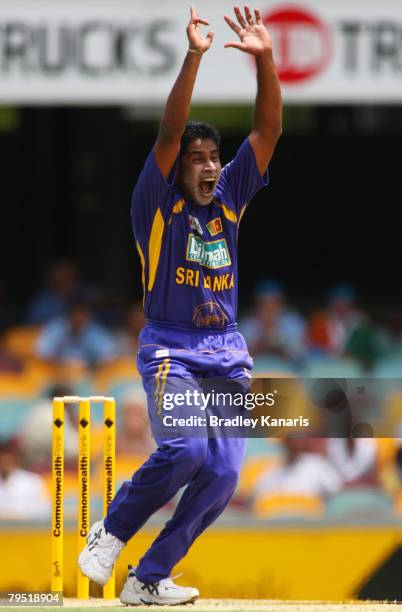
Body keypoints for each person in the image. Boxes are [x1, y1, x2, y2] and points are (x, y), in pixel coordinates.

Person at [79, 5, 281, 605]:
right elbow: (168, 134)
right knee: (187, 449)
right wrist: (195, 55)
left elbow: (266, 132)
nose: (212, 166)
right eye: (199, 159)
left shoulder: (230, 200)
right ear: (177, 170)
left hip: (228, 353)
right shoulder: (156, 208)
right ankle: (110, 533)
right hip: (171, 347)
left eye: (215, 158)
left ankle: (147, 579)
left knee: (221, 476)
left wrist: (266, 60)